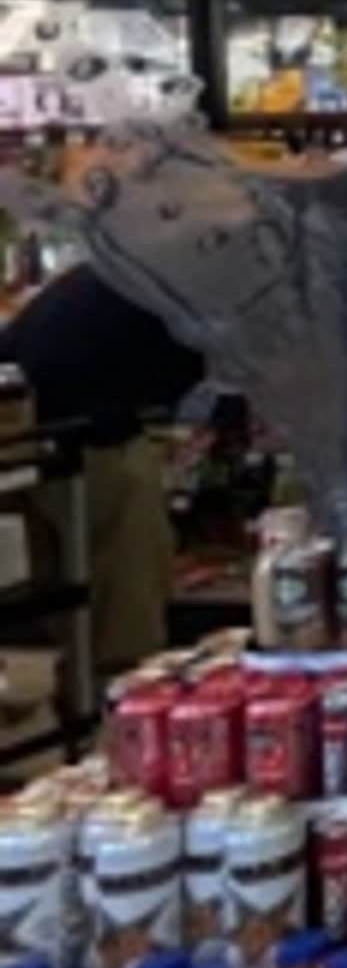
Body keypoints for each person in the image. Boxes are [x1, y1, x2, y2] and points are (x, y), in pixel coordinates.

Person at [0, 259, 204, 673]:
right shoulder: (200, 284)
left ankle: (76, 692)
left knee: (58, 586)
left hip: (20, 420)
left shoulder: (130, 258)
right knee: (127, 573)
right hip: (82, 422)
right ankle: (125, 694)